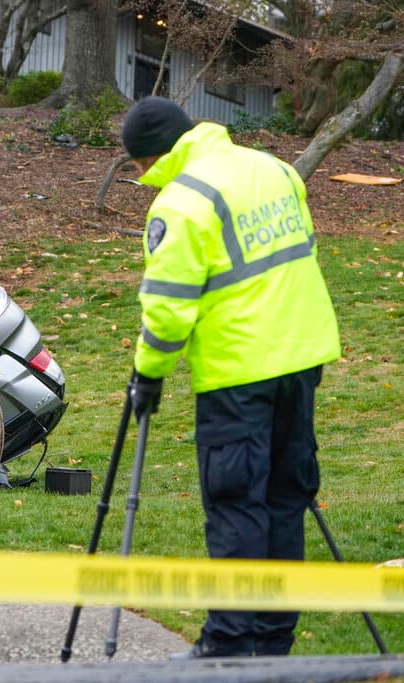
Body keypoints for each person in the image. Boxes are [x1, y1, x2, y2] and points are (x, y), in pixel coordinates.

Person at [120, 97, 341, 658]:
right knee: (286, 500)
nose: (143, 178)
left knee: (237, 502)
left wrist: (148, 374)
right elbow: (303, 251)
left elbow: (168, 308)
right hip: (302, 360)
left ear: (151, 157)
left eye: (139, 166)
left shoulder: (182, 201)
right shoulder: (274, 169)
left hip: (237, 373)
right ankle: (272, 644)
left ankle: (228, 647)